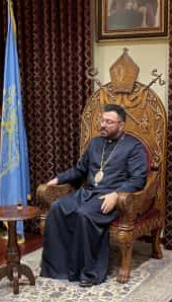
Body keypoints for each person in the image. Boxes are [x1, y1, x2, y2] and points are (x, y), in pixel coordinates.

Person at [41, 104, 147, 287]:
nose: (103, 125)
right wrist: (58, 179)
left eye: (109, 122)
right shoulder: (95, 143)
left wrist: (116, 195)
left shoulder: (134, 147)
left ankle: (89, 273)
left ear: (121, 125)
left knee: (85, 214)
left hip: (110, 197)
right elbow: (79, 169)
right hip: (88, 192)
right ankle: (59, 268)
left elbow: (138, 179)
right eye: (102, 120)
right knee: (57, 208)